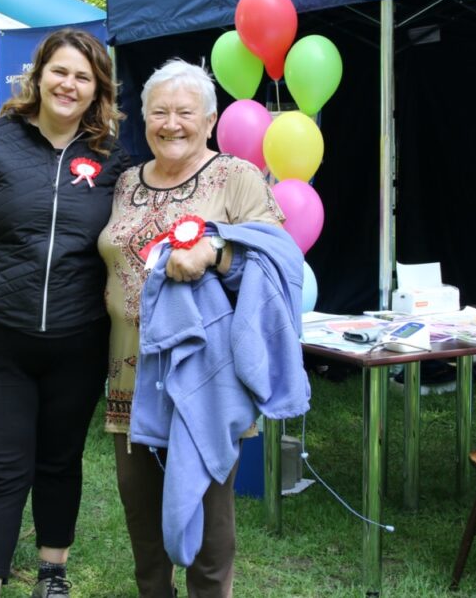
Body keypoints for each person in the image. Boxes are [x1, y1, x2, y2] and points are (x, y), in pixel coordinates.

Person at [0, 28, 130, 598]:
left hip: (78, 340)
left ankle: (52, 570)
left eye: (83, 77)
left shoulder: (113, 160)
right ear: (39, 74)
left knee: (59, 459)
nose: (69, 85)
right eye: (60, 71)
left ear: (98, 90)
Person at [98, 60, 296, 597]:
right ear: (145, 120)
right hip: (130, 375)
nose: (171, 123)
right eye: (159, 112)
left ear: (209, 120)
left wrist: (217, 253)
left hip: (204, 373)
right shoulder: (125, 182)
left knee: (208, 525)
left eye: (185, 112)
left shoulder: (236, 177)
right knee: (142, 520)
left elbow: (281, 262)